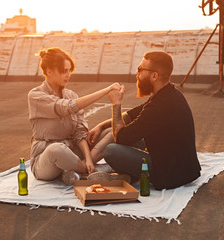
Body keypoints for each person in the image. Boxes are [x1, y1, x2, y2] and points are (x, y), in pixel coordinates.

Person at [87, 51, 201, 190]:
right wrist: (100, 126)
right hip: (179, 165)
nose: (137, 73)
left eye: (140, 69)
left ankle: (93, 168)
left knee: (111, 150)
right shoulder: (167, 93)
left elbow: (121, 137)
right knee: (110, 129)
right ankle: (127, 176)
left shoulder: (161, 105)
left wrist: (116, 103)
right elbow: (130, 115)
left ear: (154, 76)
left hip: (169, 174)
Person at [28, 47, 119, 185]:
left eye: (69, 70)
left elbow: (79, 133)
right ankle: (97, 172)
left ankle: (79, 170)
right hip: (46, 160)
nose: (68, 75)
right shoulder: (35, 95)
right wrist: (106, 90)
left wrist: (88, 158)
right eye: (64, 71)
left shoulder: (71, 95)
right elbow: (66, 107)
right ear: (48, 71)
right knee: (56, 149)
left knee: (112, 132)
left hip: (72, 152)